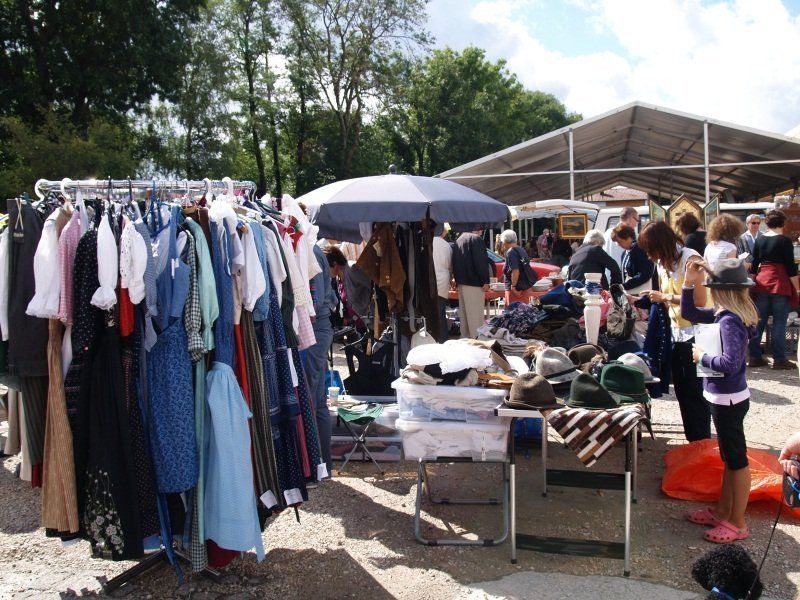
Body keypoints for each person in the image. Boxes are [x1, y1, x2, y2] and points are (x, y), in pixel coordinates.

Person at [682, 258, 757, 543]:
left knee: (737, 461)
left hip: (729, 400)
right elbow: (689, 312)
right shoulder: (725, 314)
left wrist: (702, 356)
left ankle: (738, 522)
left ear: (720, 290)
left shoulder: (728, 320)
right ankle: (724, 511)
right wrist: (688, 282)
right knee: (730, 458)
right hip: (724, 398)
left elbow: (730, 363)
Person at [637, 220, 711, 442]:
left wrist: (665, 297)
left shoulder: (691, 259)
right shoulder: (663, 264)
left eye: (651, 250)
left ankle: (701, 442)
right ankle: (694, 442)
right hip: (676, 333)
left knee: (695, 393)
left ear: (662, 244)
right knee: (683, 391)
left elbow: (700, 301)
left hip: (698, 334)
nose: (650, 256)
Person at [303, 245, 347, 477]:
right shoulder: (314, 251)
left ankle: (315, 464)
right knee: (317, 401)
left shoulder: (312, 251)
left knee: (311, 399)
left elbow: (318, 301)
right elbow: (325, 299)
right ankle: (322, 465)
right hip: (317, 332)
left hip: (314, 332)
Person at [748, 209, 800, 370]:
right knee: (779, 323)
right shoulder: (785, 241)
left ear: (767, 223)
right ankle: (779, 359)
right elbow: (791, 268)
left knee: (759, 321)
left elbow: (754, 265)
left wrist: (751, 284)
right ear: (783, 223)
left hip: (762, 281)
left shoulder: (760, 240)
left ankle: (755, 357)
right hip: (779, 283)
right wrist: (797, 289)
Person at [452, 230, 490, 339]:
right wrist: (485, 281)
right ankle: (476, 341)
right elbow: (481, 262)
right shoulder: (476, 239)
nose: (482, 231)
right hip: (475, 284)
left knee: (464, 318)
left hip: (461, 283)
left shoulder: (459, 239)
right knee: (475, 318)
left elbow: (453, 261)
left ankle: (465, 340)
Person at [611, 224, 655, 294]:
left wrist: (625, 285)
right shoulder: (625, 253)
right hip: (630, 291)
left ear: (629, 238)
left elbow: (645, 273)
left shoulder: (640, 249)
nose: (618, 245)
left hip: (640, 292)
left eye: (620, 241)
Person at [500, 229, 534, 305]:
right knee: (523, 310)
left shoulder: (511, 252)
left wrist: (513, 287)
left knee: (514, 310)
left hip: (516, 289)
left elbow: (515, 270)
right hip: (524, 286)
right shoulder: (521, 250)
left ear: (505, 241)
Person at [432, 230, 453, 343]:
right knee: (441, 313)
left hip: (429, 280)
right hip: (443, 282)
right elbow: (450, 265)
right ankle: (443, 340)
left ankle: (432, 338)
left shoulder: (426, 241)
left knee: (429, 313)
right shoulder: (446, 245)